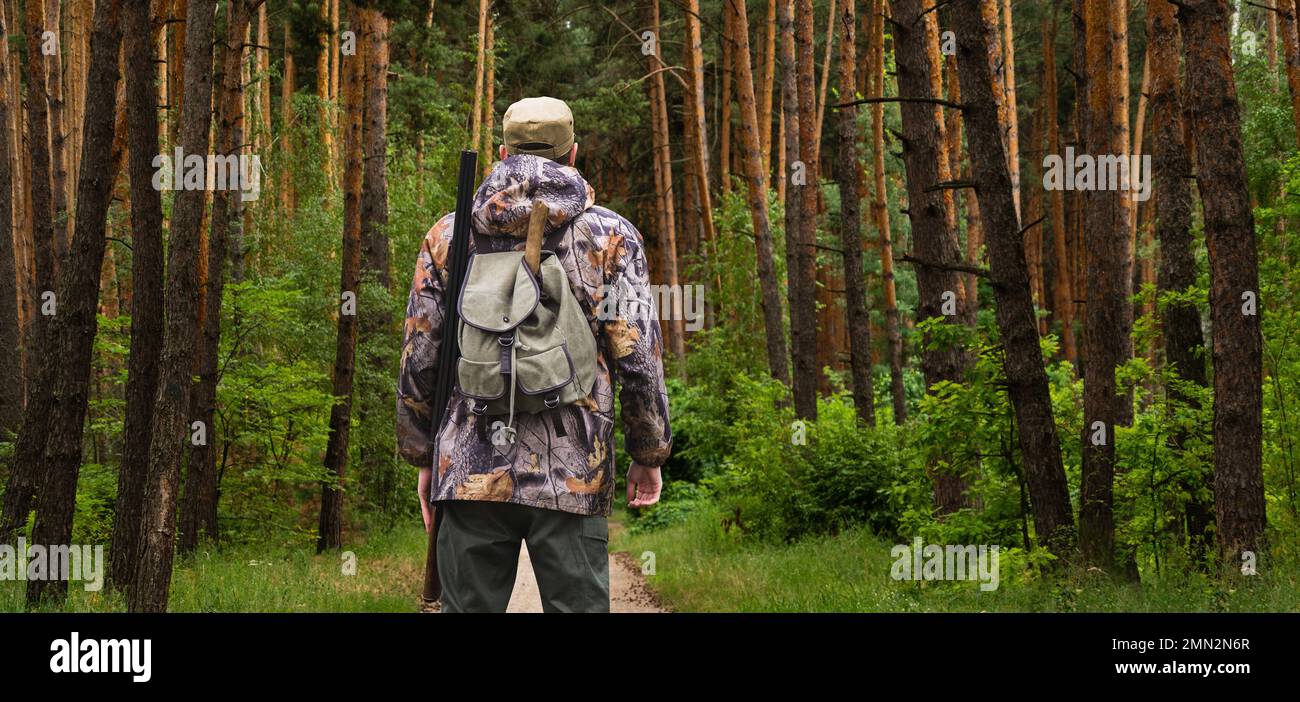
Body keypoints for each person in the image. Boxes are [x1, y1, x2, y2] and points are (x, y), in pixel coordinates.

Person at [396, 96, 672, 613]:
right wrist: (648, 452)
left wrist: (422, 454)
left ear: (501, 152)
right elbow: (636, 354)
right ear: (573, 155)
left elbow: (421, 352)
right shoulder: (610, 236)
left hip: (469, 465)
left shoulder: (449, 234)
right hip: (575, 471)